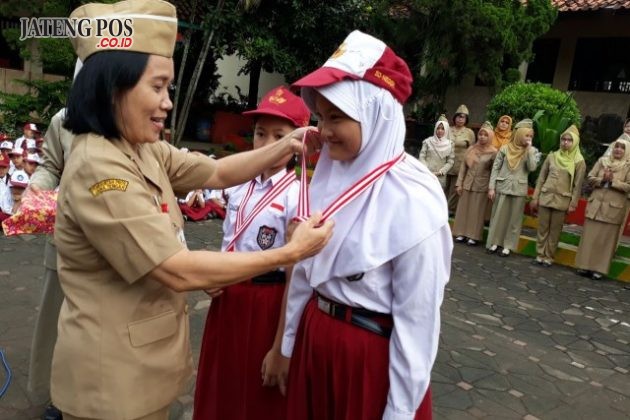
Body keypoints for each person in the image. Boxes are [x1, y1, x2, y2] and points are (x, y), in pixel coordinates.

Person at [51, 1, 333, 419]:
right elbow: (177, 270)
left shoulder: (139, 147)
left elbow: (216, 173)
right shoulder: (100, 167)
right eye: (157, 86)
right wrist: (290, 253)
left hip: (141, 368)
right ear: (115, 87)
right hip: (111, 384)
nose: (167, 102)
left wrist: (287, 146)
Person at [283, 30, 452, 420]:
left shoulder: (414, 199)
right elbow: (306, 276)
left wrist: (399, 410)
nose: (323, 131)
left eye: (337, 117)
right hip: (316, 338)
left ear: (376, 112)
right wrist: (290, 342)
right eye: (321, 116)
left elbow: (418, 320)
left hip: (367, 359)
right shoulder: (328, 174)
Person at [193, 86, 310, 420]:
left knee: (257, 391)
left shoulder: (298, 194)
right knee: (221, 382)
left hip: (267, 303)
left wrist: (280, 347)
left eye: (280, 136)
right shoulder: (238, 183)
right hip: (228, 298)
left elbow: (294, 273)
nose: (267, 144)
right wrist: (213, 276)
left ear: (298, 143)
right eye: (260, 133)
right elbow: (229, 239)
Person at [530, 125, 586, 267]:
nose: (565, 142)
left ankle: (549, 256)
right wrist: (535, 197)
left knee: (555, 230)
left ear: (575, 142)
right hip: (546, 197)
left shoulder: (579, 162)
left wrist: (573, 204)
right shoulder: (552, 156)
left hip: (562, 200)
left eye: (569, 140)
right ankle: (540, 254)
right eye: (563, 139)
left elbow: (577, 186)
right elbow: (541, 178)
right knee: (542, 227)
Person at [575, 139, 630, 280]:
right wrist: (602, 180)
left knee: (605, 240)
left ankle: (598, 270)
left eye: (622, 148)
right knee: (590, 237)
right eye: (616, 146)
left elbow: (628, 186)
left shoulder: (628, 166)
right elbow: (590, 177)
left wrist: (613, 182)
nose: (618, 150)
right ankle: (584, 266)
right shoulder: (602, 161)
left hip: (613, 209)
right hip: (596, 205)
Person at [487, 119, 538, 257]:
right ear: (519, 134)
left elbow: (532, 168)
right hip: (502, 186)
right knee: (498, 216)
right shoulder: (504, 148)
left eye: (530, 136)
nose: (528, 138)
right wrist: (491, 187)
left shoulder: (531, 151)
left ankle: (508, 245)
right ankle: (495, 242)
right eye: (526, 135)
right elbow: (495, 168)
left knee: (514, 219)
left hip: (518, 190)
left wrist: (529, 151)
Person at [452, 121, 497, 246]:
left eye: (485, 135)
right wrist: (459, 184)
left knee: (476, 212)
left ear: (490, 137)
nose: (482, 137)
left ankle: (473, 236)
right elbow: (463, 168)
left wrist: (491, 187)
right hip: (467, 183)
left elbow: (494, 171)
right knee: (463, 209)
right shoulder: (471, 149)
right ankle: (460, 233)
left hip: (481, 185)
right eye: (481, 134)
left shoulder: (493, 152)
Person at [446, 104, 476, 213]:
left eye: (463, 117)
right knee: (443, 186)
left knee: (455, 189)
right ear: (455, 118)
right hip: (445, 162)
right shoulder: (447, 129)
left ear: (466, 119)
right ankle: (440, 207)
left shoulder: (469, 132)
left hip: (460, 164)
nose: (460, 119)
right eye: (458, 116)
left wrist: (470, 165)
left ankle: (450, 209)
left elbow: (472, 149)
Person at [419, 115, 454, 192]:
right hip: (426, 174)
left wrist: (441, 172)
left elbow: (450, 161)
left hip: (439, 177)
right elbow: (422, 156)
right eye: (438, 128)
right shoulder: (428, 142)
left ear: (447, 130)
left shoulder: (450, 144)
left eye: (442, 129)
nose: (440, 131)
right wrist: (426, 169)